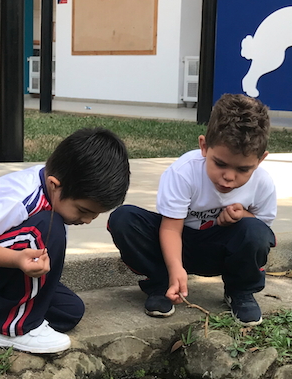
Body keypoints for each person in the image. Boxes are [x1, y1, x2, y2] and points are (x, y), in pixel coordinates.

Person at [0, 127, 130, 353]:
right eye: (83, 210)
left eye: (95, 214)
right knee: (47, 228)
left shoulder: (52, 199)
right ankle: (14, 330)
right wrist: (16, 259)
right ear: (54, 184)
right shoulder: (20, 196)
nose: (89, 220)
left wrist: (20, 261)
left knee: (68, 310)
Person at [107, 94, 276, 326]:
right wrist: (175, 268)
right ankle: (162, 283)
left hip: (220, 251)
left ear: (260, 160)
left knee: (255, 231)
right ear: (204, 146)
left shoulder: (262, 183)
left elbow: (263, 231)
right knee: (123, 219)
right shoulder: (184, 172)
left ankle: (240, 291)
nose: (228, 177)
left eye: (243, 169)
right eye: (220, 164)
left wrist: (242, 217)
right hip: (177, 244)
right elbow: (170, 229)